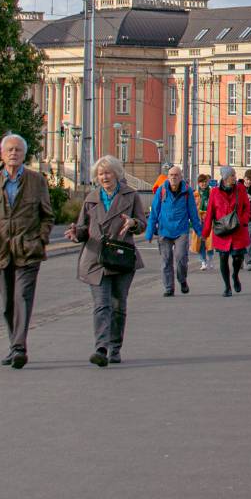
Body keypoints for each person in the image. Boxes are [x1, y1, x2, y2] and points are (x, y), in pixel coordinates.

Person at [0, 133, 52, 368]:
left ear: (25, 154)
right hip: (1, 251)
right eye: (10, 150)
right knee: (8, 303)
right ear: (2, 154)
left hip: (29, 251)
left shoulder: (37, 181)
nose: (13, 153)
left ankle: (19, 348)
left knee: (22, 298)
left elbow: (47, 216)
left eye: (18, 150)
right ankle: (13, 344)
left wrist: (41, 239)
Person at [64, 155, 146, 366]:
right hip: (96, 259)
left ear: (117, 174)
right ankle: (101, 348)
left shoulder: (131, 196)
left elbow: (142, 224)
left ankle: (115, 347)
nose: (104, 177)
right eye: (100, 174)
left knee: (118, 305)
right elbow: (83, 228)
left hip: (121, 257)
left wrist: (134, 223)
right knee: (101, 305)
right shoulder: (91, 198)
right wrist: (76, 233)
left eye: (108, 173)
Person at [146, 163, 200, 296]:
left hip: (181, 231)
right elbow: (154, 212)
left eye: (176, 175)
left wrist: (199, 232)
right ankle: (169, 288)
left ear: (181, 177)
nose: (173, 177)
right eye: (171, 175)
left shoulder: (187, 192)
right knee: (166, 260)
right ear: (167, 177)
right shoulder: (162, 190)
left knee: (181, 258)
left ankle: (182, 280)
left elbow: (193, 213)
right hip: (164, 231)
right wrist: (149, 233)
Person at [202, 165, 251, 297]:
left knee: (237, 258)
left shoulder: (240, 189)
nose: (235, 177)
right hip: (222, 231)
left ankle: (235, 275)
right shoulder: (215, 192)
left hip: (238, 230)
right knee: (223, 258)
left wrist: (243, 220)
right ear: (225, 178)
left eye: (234, 175)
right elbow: (210, 213)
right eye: (232, 175)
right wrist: (205, 233)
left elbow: (247, 207)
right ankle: (227, 287)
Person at [194, 172, 213, 270]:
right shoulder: (195, 194)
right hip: (198, 221)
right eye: (201, 182)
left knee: (210, 241)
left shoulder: (212, 193)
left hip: (209, 220)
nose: (203, 184)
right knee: (200, 242)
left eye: (205, 182)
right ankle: (203, 261)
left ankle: (210, 259)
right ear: (198, 183)